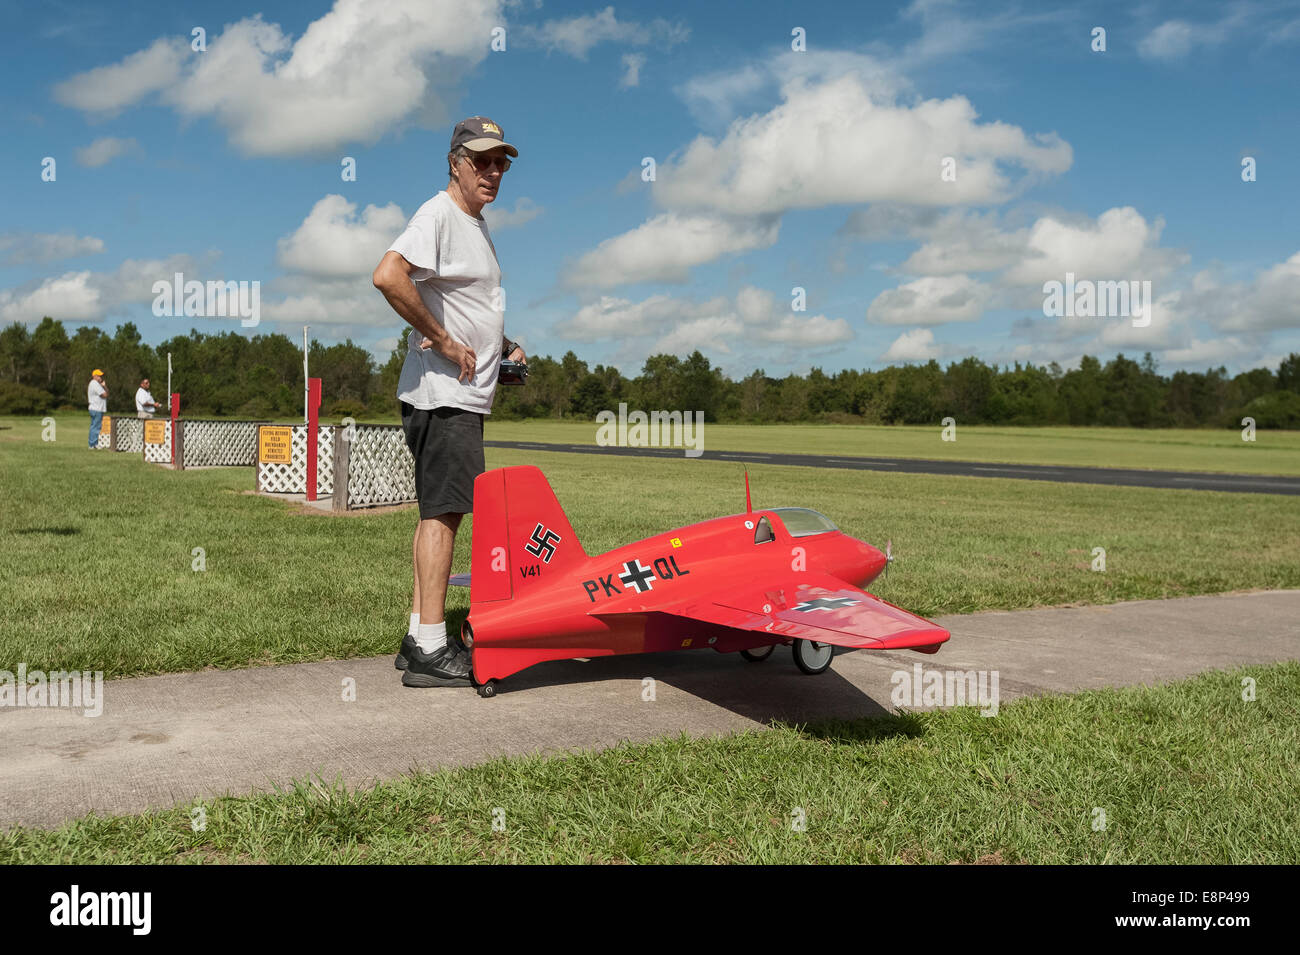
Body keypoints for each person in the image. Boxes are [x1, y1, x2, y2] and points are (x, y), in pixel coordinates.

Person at [372, 116, 526, 689]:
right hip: (445, 397)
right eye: (481, 161)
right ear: (455, 163)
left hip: (458, 396)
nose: (493, 171)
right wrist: (440, 340)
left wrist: (503, 347)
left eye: (501, 162)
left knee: (437, 513)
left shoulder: (473, 225)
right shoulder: (439, 214)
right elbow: (388, 276)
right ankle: (433, 648)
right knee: (445, 515)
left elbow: (468, 305)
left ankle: (420, 636)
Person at [87, 369, 108, 449]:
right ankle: (92, 444)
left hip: (97, 408)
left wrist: (104, 386)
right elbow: (104, 395)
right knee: (96, 427)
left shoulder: (97, 384)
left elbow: (107, 393)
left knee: (95, 426)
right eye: (99, 376)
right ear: (94, 376)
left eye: (101, 376)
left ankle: (94, 443)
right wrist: (104, 387)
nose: (101, 377)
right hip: (96, 408)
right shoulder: (94, 384)